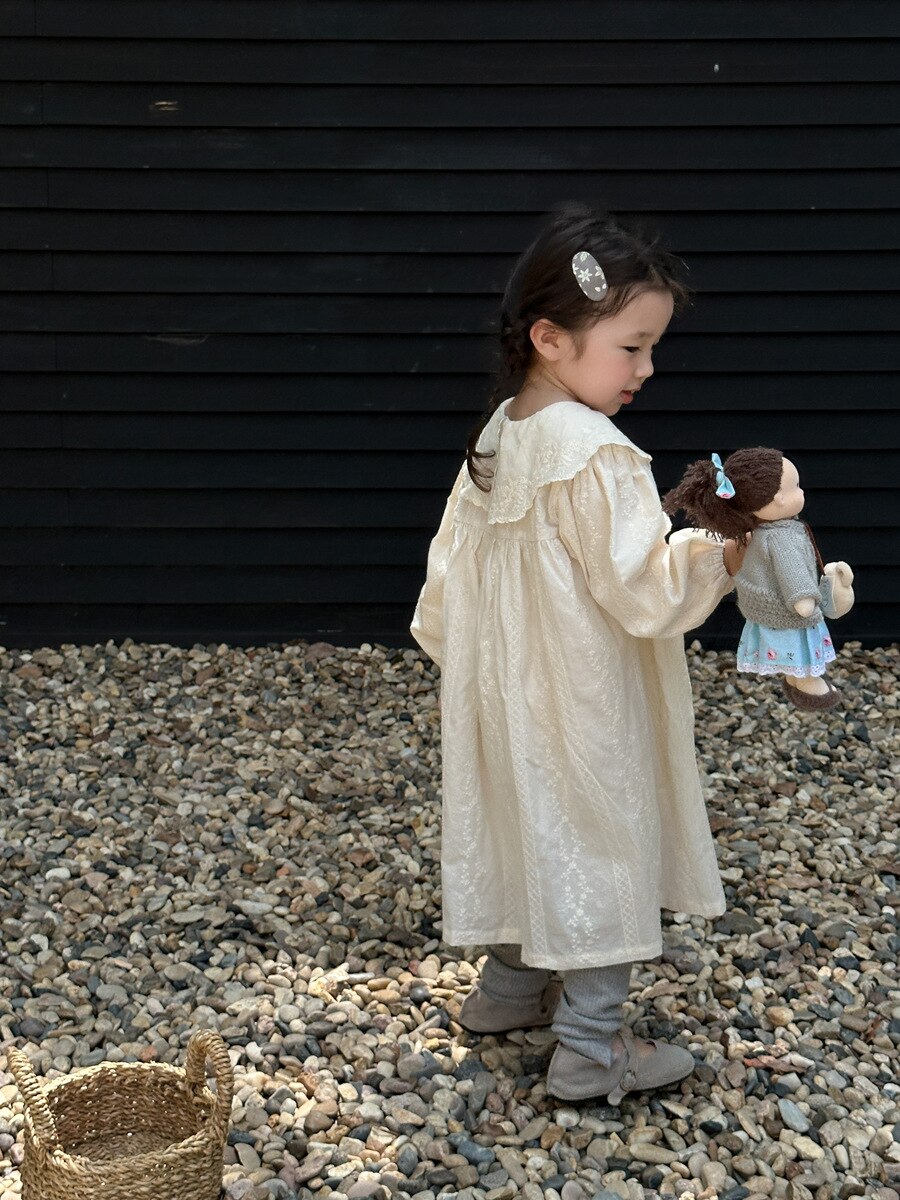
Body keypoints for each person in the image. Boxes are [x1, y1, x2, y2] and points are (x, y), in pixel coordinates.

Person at [409, 201, 747, 1104]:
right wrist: (723, 553)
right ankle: (592, 1049)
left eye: (651, 347)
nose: (646, 367)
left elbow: (444, 585)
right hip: (586, 700)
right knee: (604, 837)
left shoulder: (497, 436)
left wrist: (483, 676)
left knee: (530, 825)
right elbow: (643, 587)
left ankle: (510, 989)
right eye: (630, 346)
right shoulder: (597, 453)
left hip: (507, 699)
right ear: (551, 337)